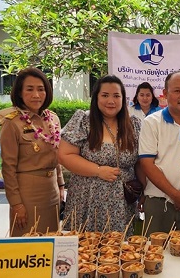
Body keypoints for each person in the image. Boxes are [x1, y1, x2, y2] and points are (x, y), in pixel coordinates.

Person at [58, 75, 141, 233]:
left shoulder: (133, 124)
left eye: (116, 96)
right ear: (96, 97)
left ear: (123, 98)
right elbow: (64, 155)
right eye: (105, 95)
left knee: (119, 252)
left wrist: (144, 192)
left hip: (123, 202)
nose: (111, 101)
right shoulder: (83, 120)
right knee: (86, 250)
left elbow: (139, 162)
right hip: (87, 198)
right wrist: (98, 170)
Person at [0, 67, 65, 236]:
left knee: (51, 243)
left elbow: (56, 156)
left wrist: (61, 185)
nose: (36, 95)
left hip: (52, 192)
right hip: (27, 194)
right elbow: (8, 167)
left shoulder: (53, 119)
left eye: (41, 89)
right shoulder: (12, 123)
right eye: (29, 89)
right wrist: (16, 204)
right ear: (20, 92)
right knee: (28, 246)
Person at [139, 71, 180, 234]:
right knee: (155, 254)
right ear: (166, 93)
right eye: (177, 91)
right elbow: (147, 164)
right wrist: (175, 195)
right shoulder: (152, 122)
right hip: (158, 202)